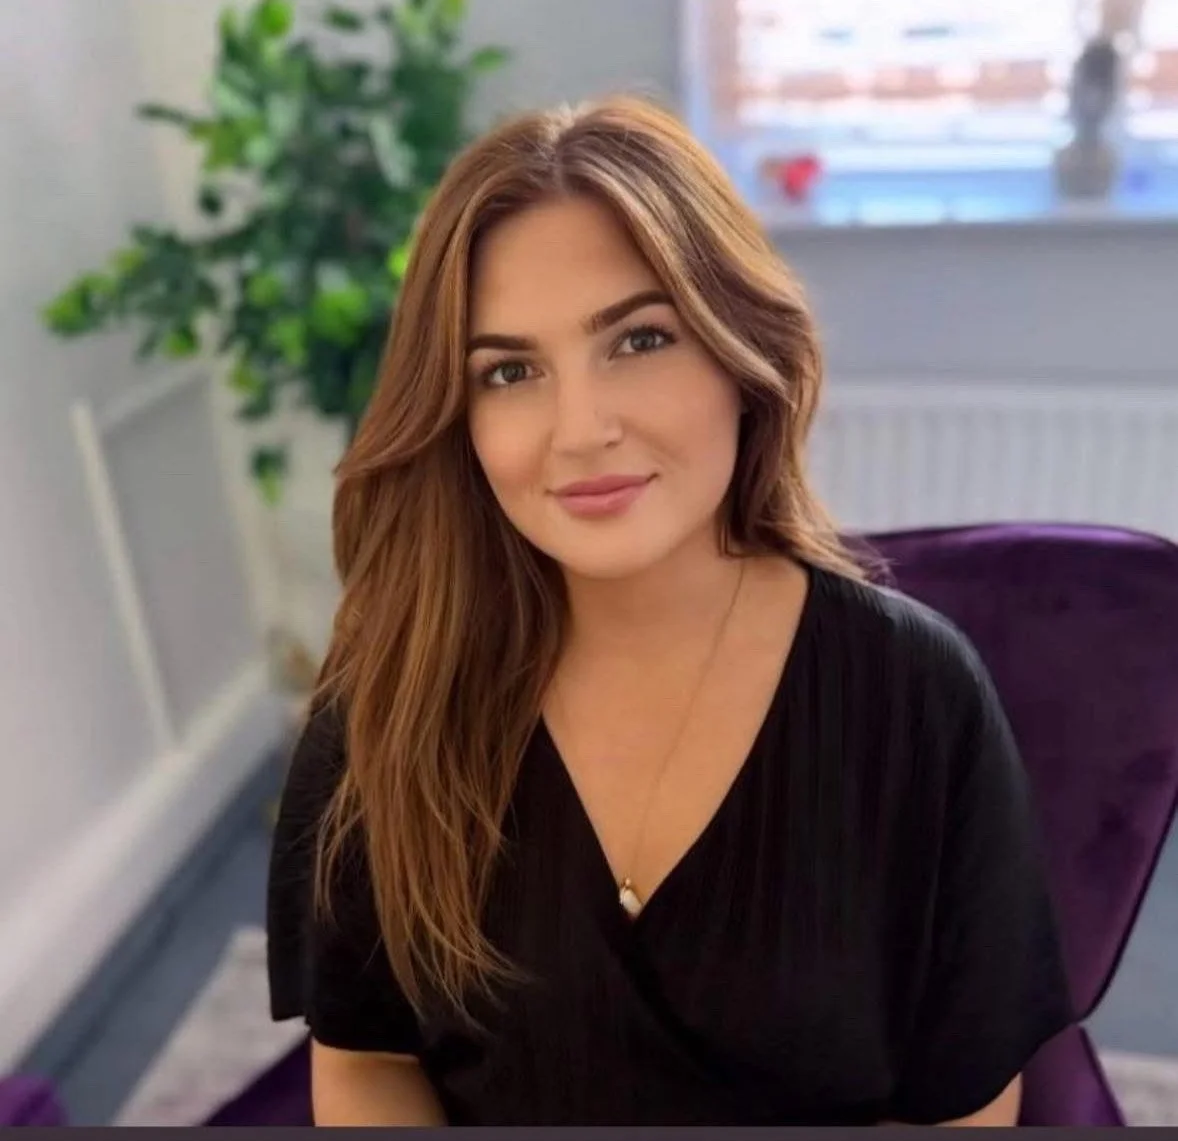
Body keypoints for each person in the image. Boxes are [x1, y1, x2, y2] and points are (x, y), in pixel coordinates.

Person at [266, 95, 1074, 1127]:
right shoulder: (390, 694)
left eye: (638, 340)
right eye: (510, 371)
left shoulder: (917, 695)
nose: (579, 429)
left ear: (744, 352)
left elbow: (960, 1107)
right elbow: (369, 1060)